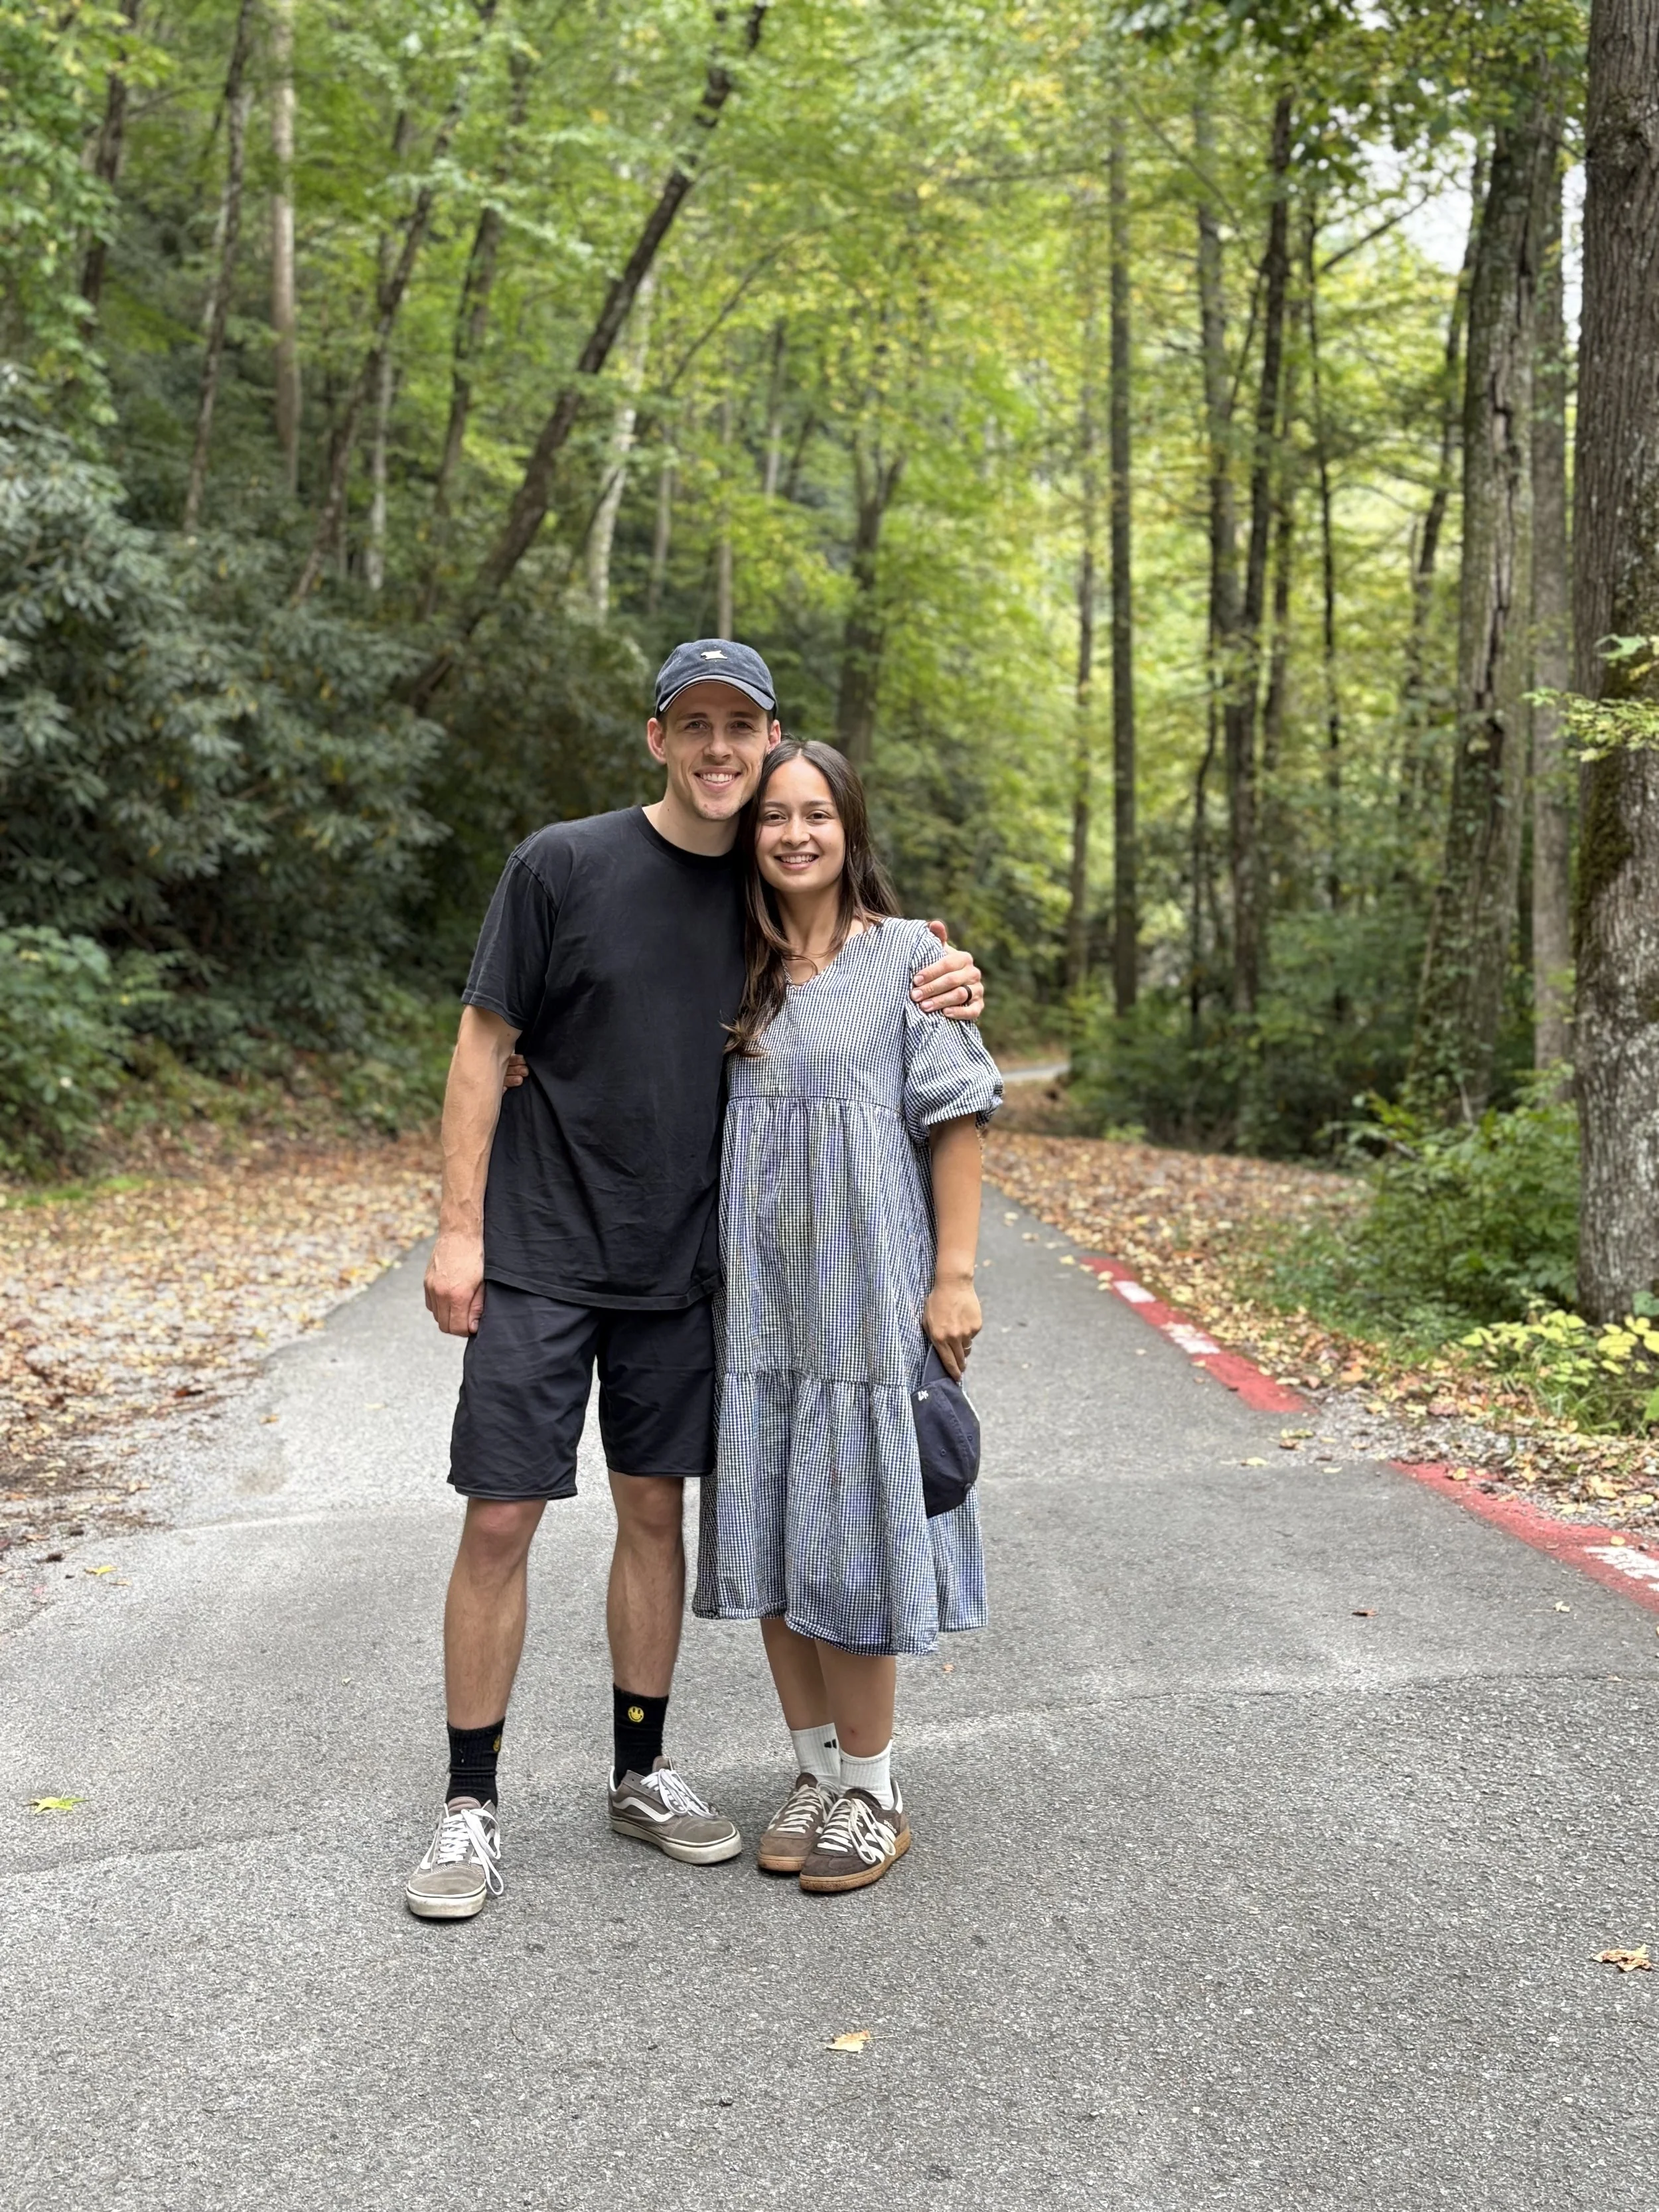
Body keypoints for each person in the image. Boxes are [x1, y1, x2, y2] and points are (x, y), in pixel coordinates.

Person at [404, 641, 985, 1921]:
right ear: (656, 738)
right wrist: (458, 1230)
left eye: (746, 729)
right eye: (697, 725)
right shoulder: (561, 864)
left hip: (689, 1274)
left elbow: (877, 960)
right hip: (545, 1249)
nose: (724, 751)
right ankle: (469, 1803)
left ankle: (640, 1771)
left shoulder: (772, 901)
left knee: (655, 1519)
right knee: (501, 1517)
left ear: (774, 743)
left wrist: (943, 966)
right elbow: (481, 1044)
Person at [693, 738, 1001, 1894]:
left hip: (867, 1291)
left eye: (816, 813)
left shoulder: (913, 959)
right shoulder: (733, 966)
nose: (794, 834)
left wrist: (955, 1274)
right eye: (774, 816)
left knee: (854, 1535)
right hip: (757, 1305)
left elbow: (956, 1116)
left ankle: (875, 1791)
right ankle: (816, 1771)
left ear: (848, 826)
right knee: (777, 1530)